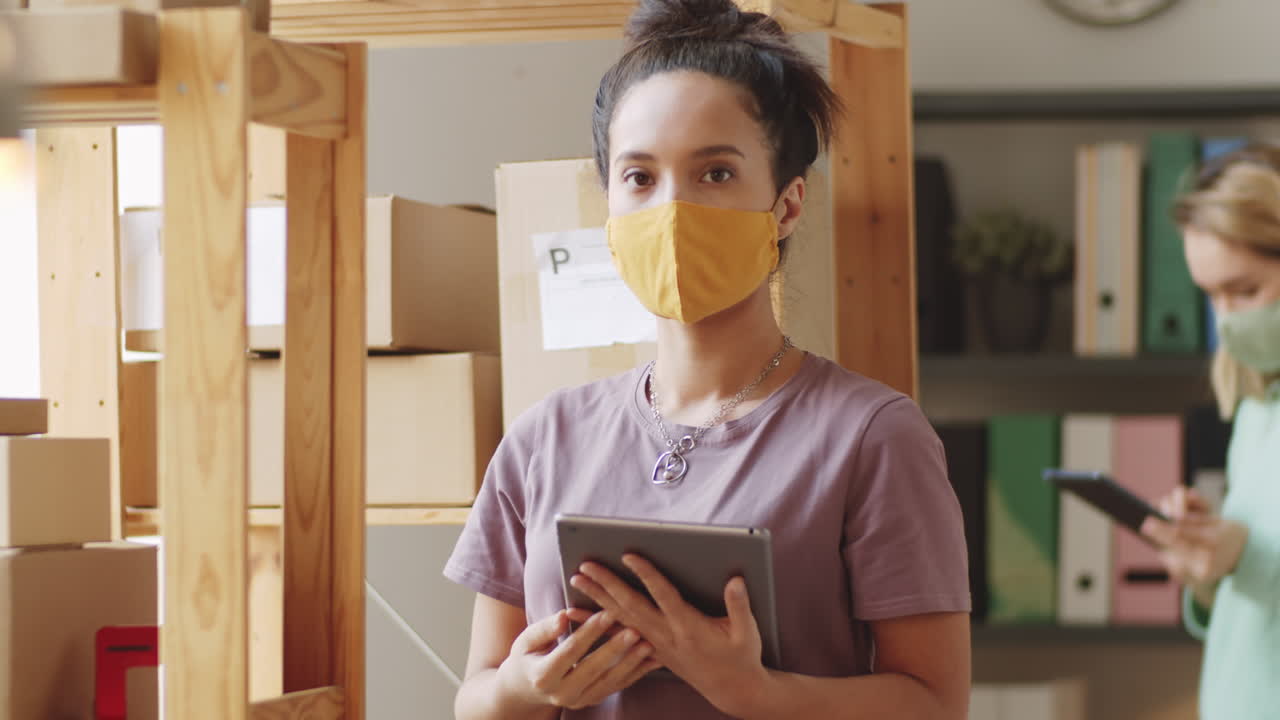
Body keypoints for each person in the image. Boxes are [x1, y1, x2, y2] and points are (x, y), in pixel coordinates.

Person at [444, 0, 972, 717]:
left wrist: (755, 693)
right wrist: (523, 689)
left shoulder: (873, 436)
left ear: (786, 206)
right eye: (639, 177)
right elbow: (472, 698)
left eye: (715, 173)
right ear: (609, 207)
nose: (672, 209)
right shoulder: (544, 437)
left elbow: (934, 704)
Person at [1142, 145, 1280, 719]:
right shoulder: (1258, 408)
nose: (1226, 321)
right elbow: (1243, 618)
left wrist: (1247, 558)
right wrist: (1204, 569)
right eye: (1211, 297)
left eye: (1245, 291)